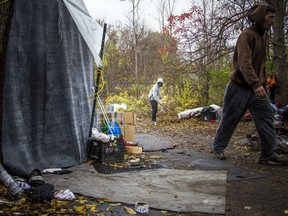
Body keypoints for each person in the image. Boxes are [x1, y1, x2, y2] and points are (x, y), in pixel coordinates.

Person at [212, 4, 288, 165]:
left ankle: (268, 155)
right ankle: (218, 148)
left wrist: (265, 82)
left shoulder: (263, 36)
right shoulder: (246, 36)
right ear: (261, 17)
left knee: (267, 116)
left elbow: (261, 64)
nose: (273, 21)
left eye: (274, 18)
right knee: (230, 118)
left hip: (257, 89)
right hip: (239, 87)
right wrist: (255, 83)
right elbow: (244, 64)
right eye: (270, 18)